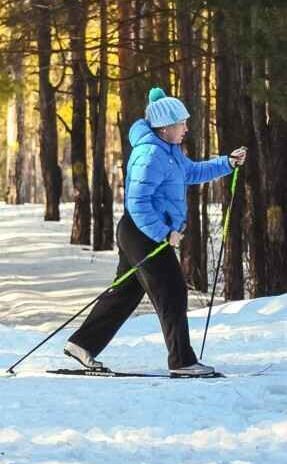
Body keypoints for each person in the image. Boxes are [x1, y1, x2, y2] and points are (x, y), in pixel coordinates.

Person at [65, 87, 247, 377]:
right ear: (164, 127)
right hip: (143, 233)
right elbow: (137, 202)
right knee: (172, 290)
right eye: (181, 124)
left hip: (140, 232)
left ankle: (81, 344)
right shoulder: (150, 154)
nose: (186, 129)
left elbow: (192, 172)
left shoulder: (169, 151)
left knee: (125, 293)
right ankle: (182, 361)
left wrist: (226, 162)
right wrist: (163, 233)